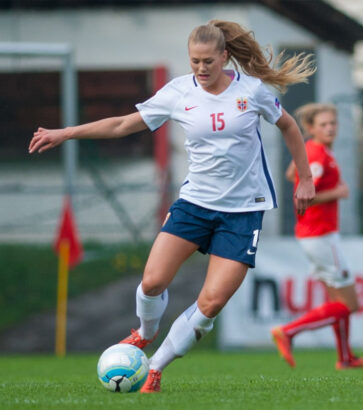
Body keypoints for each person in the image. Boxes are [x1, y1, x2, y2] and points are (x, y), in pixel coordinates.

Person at [29, 20, 316, 393]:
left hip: (244, 212)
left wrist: (306, 178)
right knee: (151, 282)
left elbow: (290, 126)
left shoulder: (252, 91)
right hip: (195, 204)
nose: (201, 68)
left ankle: (156, 368)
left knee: (210, 303)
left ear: (224, 56)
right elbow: (120, 125)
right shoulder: (178, 92)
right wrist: (66, 132)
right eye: (194, 61)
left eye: (208, 61)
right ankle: (145, 333)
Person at [270, 103, 363, 370]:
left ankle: (345, 358)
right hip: (320, 235)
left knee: (337, 302)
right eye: (323, 124)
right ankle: (289, 331)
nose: (330, 128)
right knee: (349, 304)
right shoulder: (318, 155)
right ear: (310, 129)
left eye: (333, 123)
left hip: (314, 236)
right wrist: (337, 193)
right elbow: (302, 197)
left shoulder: (312, 151)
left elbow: (290, 174)